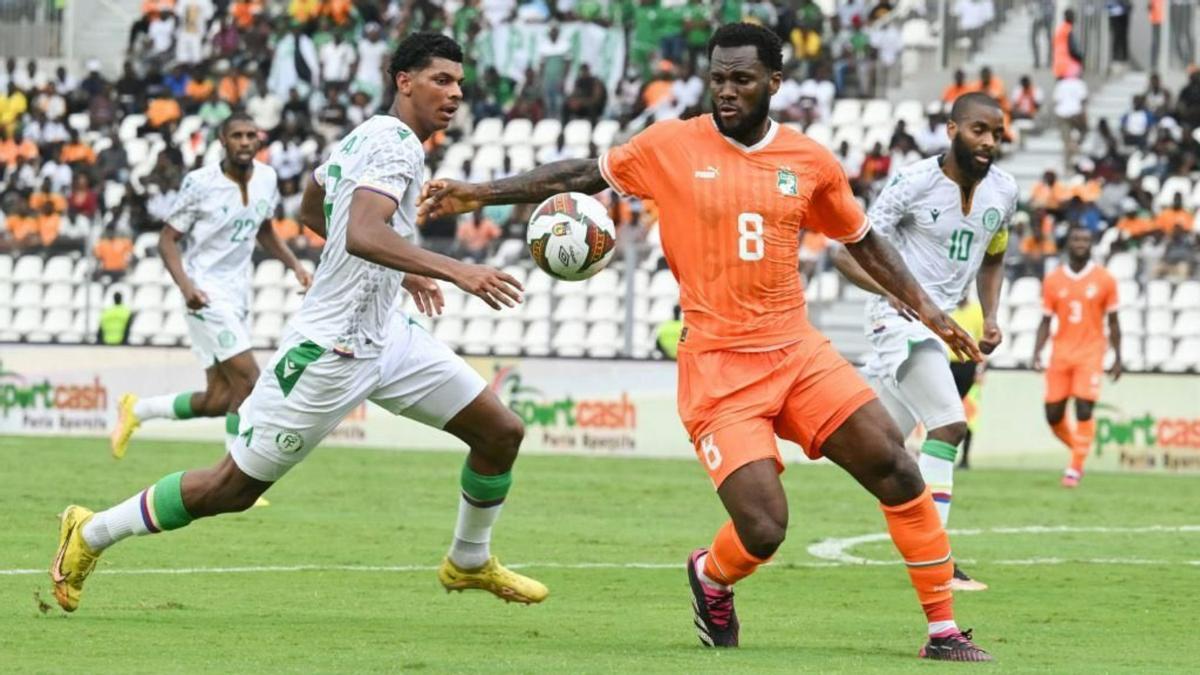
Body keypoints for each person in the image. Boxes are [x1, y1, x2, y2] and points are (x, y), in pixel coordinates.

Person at [418, 23, 990, 661]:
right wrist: (481, 194)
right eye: (717, 77)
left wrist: (930, 311)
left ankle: (943, 631)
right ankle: (712, 577)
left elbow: (862, 241)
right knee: (766, 529)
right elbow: (585, 174)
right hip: (719, 368)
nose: (725, 90)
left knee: (896, 466)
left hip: (797, 351)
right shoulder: (669, 144)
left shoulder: (810, 162)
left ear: (774, 83)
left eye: (741, 79)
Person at [51, 33, 547, 615]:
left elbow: (314, 208)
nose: (456, 93)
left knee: (500, 433)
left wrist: (398, 273)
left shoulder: (368, 134)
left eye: (460, 83)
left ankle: (468, 561)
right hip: (330, 350)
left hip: (388, 335)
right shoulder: (395, 147)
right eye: (441, 80)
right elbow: (363, 232)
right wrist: (452, 268)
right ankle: (90, 532)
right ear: (403, 81)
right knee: (229, 489)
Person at [831, 92, 1016, 594]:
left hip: (947, 321)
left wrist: (992, 315)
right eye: (979, 130)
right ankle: (938, 558)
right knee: (950, 424)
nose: (989, 141)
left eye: (997, 133)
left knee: (880, 448)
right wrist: (894, 294)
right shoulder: (912, 182)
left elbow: (995, 255)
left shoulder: (1003, 190)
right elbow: (847, 253)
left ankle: (807, 438)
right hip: (899, 319)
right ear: (952, 129)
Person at [109, 112, 311, 463]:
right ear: (223, 140)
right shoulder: (200, 183)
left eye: (251, 135)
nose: (245, 142)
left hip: (238, 293)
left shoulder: (268, 178)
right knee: (249, 381)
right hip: (205, 293)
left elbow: (264, 230)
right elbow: (167, 241)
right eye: (237, 136)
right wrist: (187, 287)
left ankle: (137, 410)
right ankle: (232, 476)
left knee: (220, 399)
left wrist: (294, 265)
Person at [1033, 225, 1122, 488]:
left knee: (1084, 408)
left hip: (1091, 353)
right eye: (1076, 239)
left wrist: (1118, 357)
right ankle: (1079, 449)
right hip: (1061, 354)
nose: (1081, 243)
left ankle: (1075, 468)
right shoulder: (1053, 280)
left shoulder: (1105, 279)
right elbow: (1045, 321)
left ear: (1092, 243)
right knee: (1052, 414)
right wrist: (1037, 350)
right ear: (1067, 244)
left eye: (1085, 238)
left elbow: (1114, 322)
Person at [1053, 9, 1084, 80]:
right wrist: (1081, 57)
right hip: (1068, 67)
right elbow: (1073, 50)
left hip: (1058, 66)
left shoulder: (1059, 29)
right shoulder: (1068, 31)